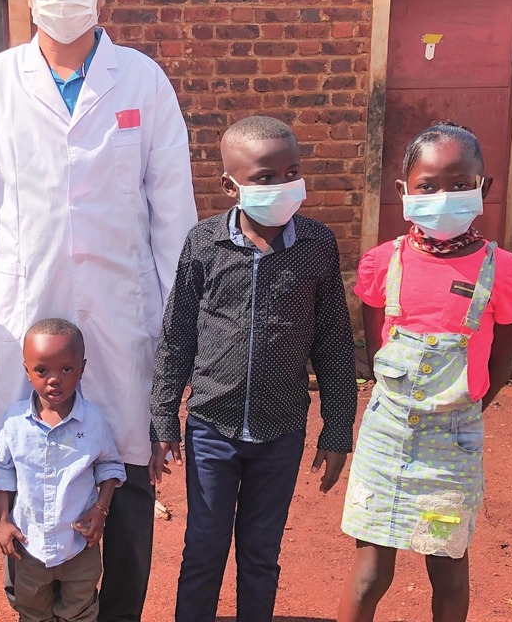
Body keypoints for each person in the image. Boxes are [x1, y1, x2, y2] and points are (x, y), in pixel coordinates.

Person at [0, 0, 197, 621]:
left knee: (128, 470)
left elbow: (173, 214)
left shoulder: (143, 80)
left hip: (123, 317)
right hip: (25, 311)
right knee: (26, 468)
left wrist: (183, 326)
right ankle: (35, 607)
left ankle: (120, 611)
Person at [150, 115, 358, 622]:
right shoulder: (203, 243)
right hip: (210, 431)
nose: (282, 186)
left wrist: (337, 431)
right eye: (265, 177)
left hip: (281, 432)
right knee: (203, 552)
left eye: (292, 172)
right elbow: (178, 337)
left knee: (260, 556)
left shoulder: (316, 245)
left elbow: (333, 342)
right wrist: (162, 419)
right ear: (231, 184)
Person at [337, 123, 512, 622]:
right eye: (428, 186)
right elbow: (378, 343)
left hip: (453, 446)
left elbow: (499, 368)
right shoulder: (383, 265)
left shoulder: (503, 271)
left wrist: (457, 410)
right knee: (370, 574)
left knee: (447, 570)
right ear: (404, 192)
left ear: (484, 188)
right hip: (386, 438)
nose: (443, 196)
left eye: (459, 184)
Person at [0, 318, 127, 622]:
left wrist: (100, 510)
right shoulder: (13, 423)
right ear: (26, 370)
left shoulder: (92, 421)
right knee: (32, 611)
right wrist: (3, 522)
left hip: (79, 545)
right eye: (42, 370)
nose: (54, 379)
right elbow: (2, 473)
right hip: (30, 545)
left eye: (66, 369)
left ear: (82, 368)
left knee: (80, 611)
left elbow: (110, 466)